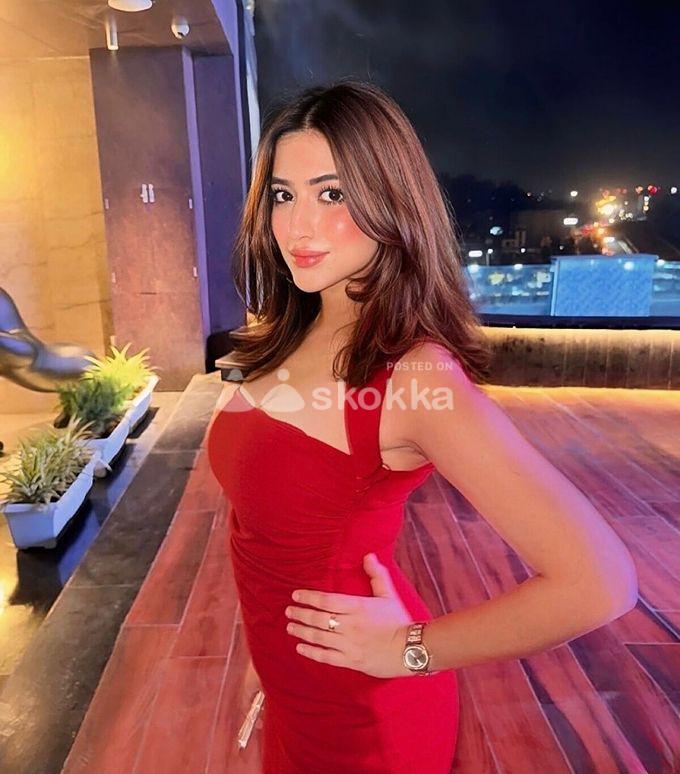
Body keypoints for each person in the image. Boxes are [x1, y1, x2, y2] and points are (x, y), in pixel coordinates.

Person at [206, 79, 638, 773]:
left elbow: (600, 582)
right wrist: (269, 660)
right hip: (298, 686)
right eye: (283, 195)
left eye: (332, 194)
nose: (299, 226)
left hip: (364, 724)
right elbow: (268, 540)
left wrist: (411, 649)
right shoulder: (288, 332)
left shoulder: (414, 376)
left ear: (390, 201)